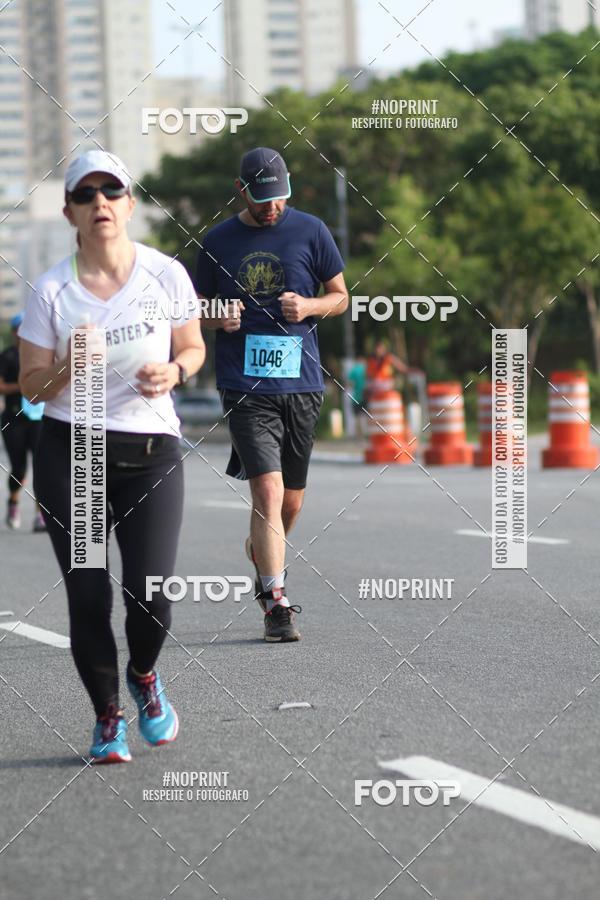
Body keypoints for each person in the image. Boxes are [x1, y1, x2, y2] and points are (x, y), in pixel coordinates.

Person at [18, 150, 205, 763]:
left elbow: (194, 346)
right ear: (72, 211)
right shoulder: (52, 289)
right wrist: (70, 366)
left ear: (128, 204)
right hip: (74, 453)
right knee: (90, 594)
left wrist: (174, 370)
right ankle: (106, 717)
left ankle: (145, 676)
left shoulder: (166, 274)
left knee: (151, 592)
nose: (100, 202)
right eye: (87, 193)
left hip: (151, 452)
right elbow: (30, 387)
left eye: (111, 191)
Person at [195, 147, 348, 642]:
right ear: (240, 191)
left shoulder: (312, 230)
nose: (271, 207)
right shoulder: (217, 240)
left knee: (292, 503)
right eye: (261, 199)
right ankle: (275, 602)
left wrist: (309, 306)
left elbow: (341, 296)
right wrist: (217, 315)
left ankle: (263, 549)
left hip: (301, 382)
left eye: (279, 197)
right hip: (244, 384)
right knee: (267, 490)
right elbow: (191, 307)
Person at [0, 313, 46, 531]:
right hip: (14, 417)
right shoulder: (7, 356)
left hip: (39, 418)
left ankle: (40, 516)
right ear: (14, 332)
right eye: (19, 329)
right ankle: (14, 502)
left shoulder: (43, 356)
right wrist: (26, 386)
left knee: (42, 468)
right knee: (19, 468)